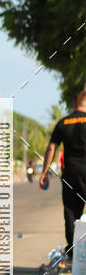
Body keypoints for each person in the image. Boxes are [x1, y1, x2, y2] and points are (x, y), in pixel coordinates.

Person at [40, 85, 86, 258]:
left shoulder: (63, 123)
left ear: (73, 102)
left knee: (71, 212)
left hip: (71, 173)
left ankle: (74, 254)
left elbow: (51, 148)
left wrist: (45, 172)